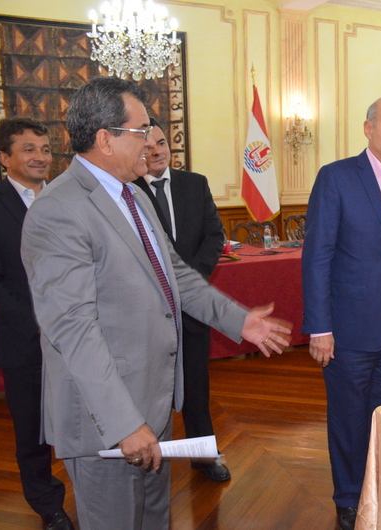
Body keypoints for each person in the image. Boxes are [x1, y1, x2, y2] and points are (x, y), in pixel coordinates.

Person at [19, 76, 292, 529]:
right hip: (107, 420)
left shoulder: (134, 195)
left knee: (154, 520)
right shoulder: (59, 210)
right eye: (141, 130)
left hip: (154, 401)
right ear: (106, 140)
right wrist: (124, 423)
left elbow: (177, 275)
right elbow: (73, 330)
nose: (151, 141)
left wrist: (238, 320)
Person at [302, 96, 381, 530]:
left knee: (380, 415)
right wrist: (320, 327)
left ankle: (374, 487)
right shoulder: (336, 178)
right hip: (348, 329)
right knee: (349, 419)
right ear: (368, 128)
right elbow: (317, 256)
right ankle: (348, 499)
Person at [0, 118, 74, 530]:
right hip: (26, 340)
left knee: (82, 418)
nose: (40, 157)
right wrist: (40, 324)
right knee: (34, 435)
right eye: (28, 149)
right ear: (4, 158)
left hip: (80, 336)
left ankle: (92, 487)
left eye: (44, 148)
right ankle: (48, 506)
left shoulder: (67, 198)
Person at [135, 117, 230, 482]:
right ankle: (149, 462)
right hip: (147, 311)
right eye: (146, 146)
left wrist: (189, 282)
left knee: (196, 389)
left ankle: (204, 458)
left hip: (191, 309)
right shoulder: (128, 191)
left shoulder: (195, 184)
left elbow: (214, 236)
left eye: (160, 143)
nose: (156, 151)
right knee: (149, 391)